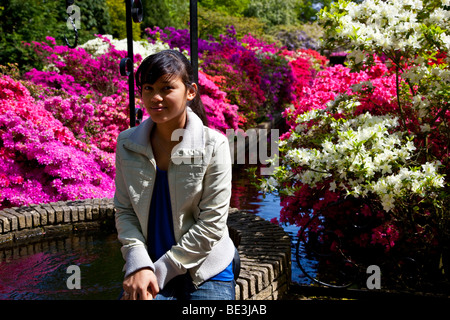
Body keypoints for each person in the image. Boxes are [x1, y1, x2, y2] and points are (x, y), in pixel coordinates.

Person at [114, 49, 237, 300]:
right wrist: (138, 261)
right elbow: (124, 210)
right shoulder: (127, 143)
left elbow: (212, 224)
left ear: (190, 91)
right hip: (150, 261)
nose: (155, 97)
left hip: (205, 269)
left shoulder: (214, 145)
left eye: (167, 88)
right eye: (148, 88)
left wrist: (155, 273)